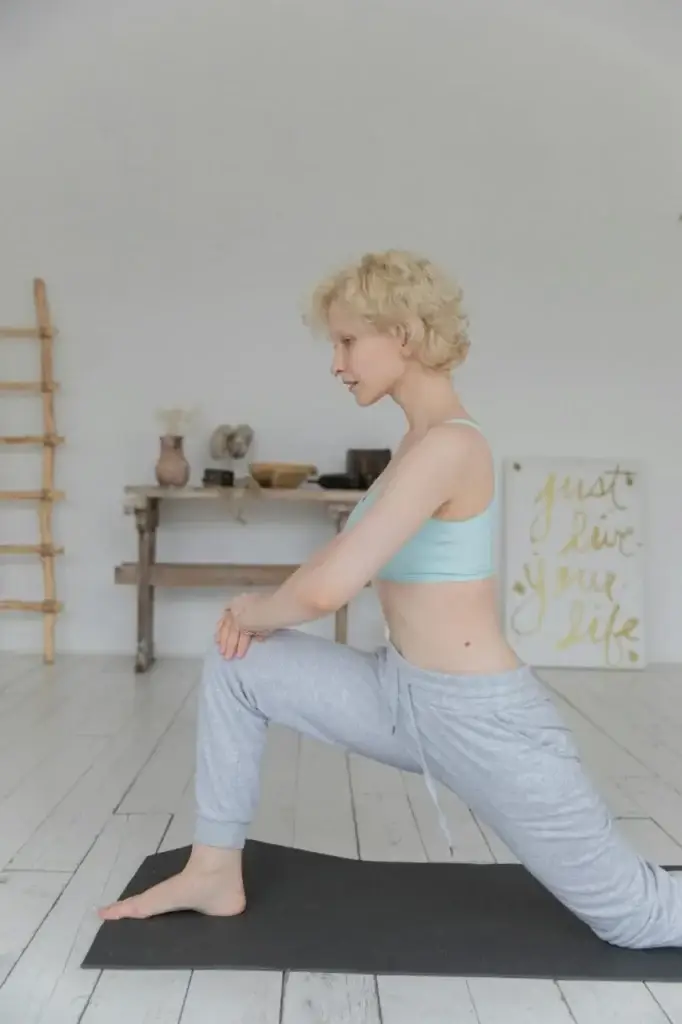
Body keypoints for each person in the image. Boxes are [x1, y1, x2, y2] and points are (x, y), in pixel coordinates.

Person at [99, 249, 682, 949]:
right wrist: (255, 613)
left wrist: (254, 608)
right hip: (399, 694)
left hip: (481, 720)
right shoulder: (414, 444)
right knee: (239, 664)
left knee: (637, 919)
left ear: (401, 334)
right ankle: (214, 870)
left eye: (347, 341)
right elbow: (339, 560)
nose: (337, 363)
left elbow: (328, 588)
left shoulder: (452, 449)